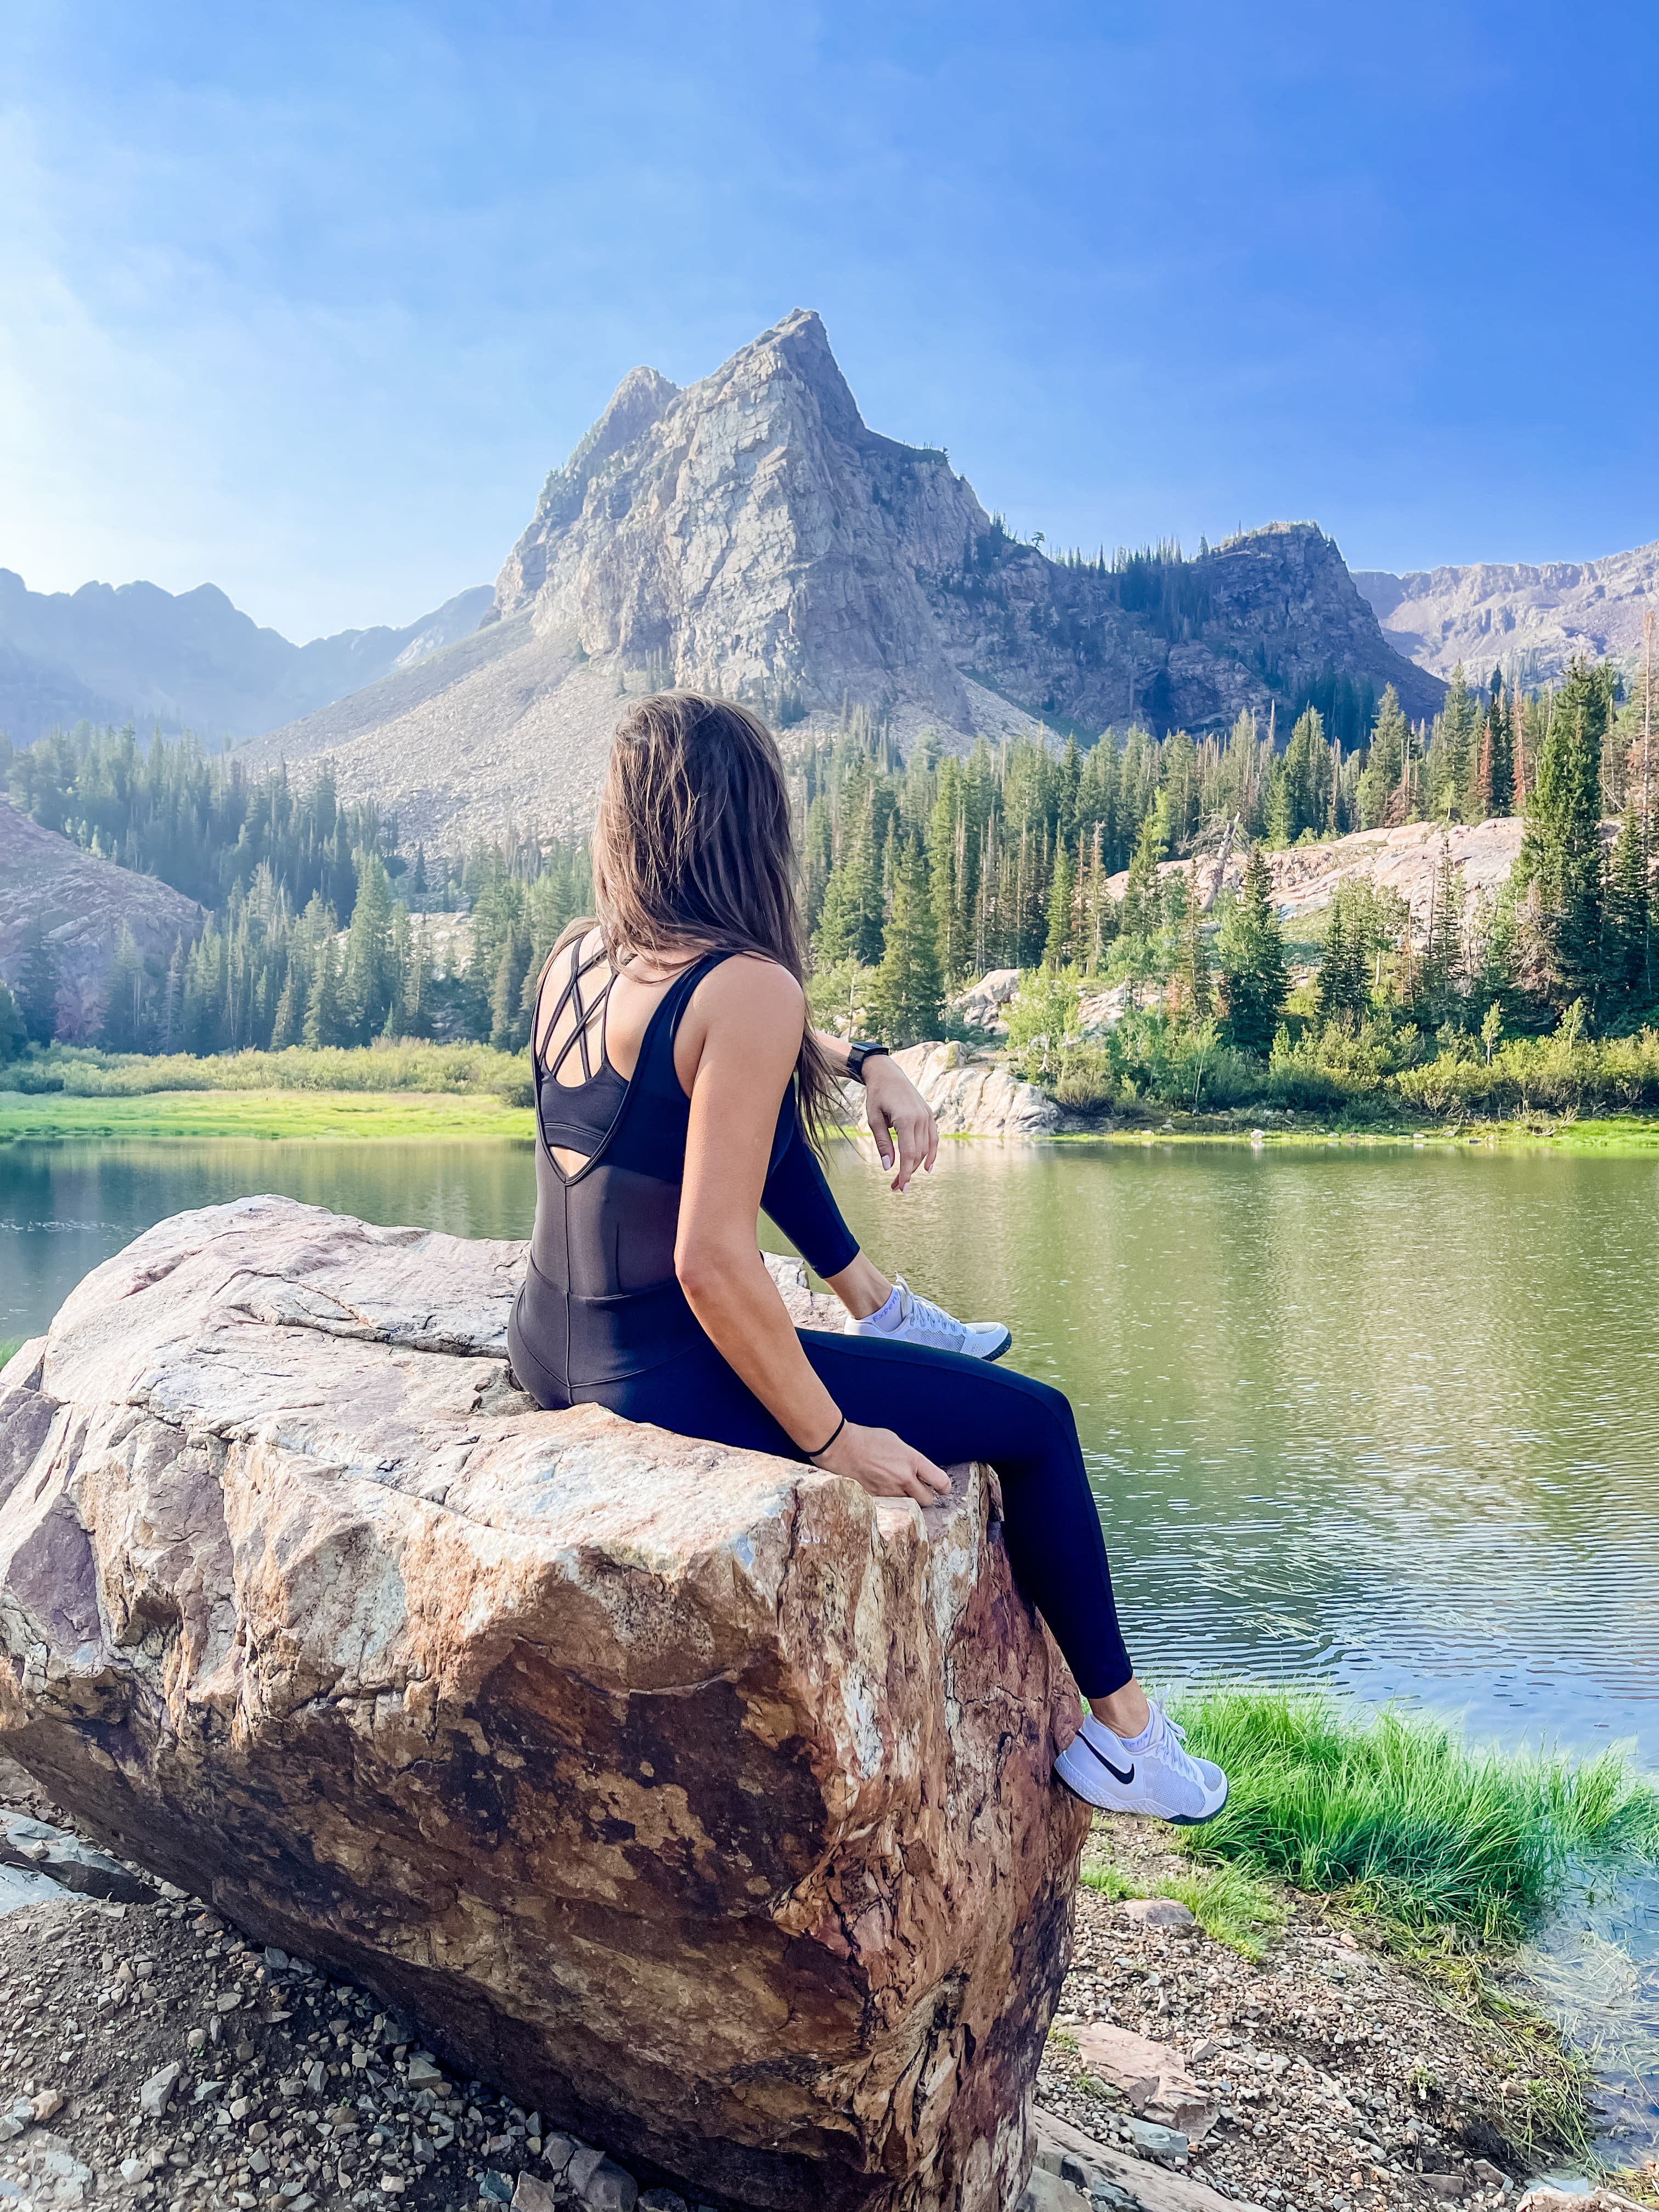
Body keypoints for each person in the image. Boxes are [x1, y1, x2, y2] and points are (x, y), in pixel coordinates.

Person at [507, 692, 1227, 1825]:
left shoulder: (577, 958)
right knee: (1038, 1424)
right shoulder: (747, 988)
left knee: (752, 1110)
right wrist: (832, 1440)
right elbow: (709, 1260)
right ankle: (1129, 1739)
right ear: (748, 825)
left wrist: (861, 1058)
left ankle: (876, 1305)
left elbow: (737, 1042)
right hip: (653, 1370)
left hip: (545, 1342)